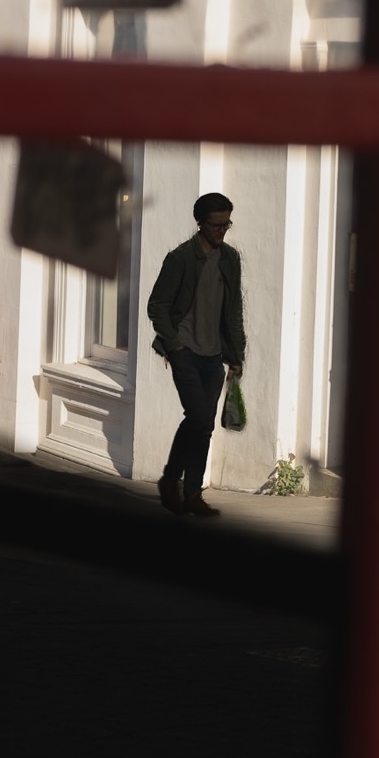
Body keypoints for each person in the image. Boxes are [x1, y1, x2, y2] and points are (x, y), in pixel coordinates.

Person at [146, 192, 245, 516]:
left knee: (202, 425)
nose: (222, 231)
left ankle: (190, 494)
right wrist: (174, 345)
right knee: (200, 418)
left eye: (226, 224)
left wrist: (236, 355)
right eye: (217, 226)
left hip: (214, 356)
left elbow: (233, 311)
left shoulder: (230, 259)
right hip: (185, 351)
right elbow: (157, 306)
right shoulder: (181, 258)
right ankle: (174, 480)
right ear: (200, 223)